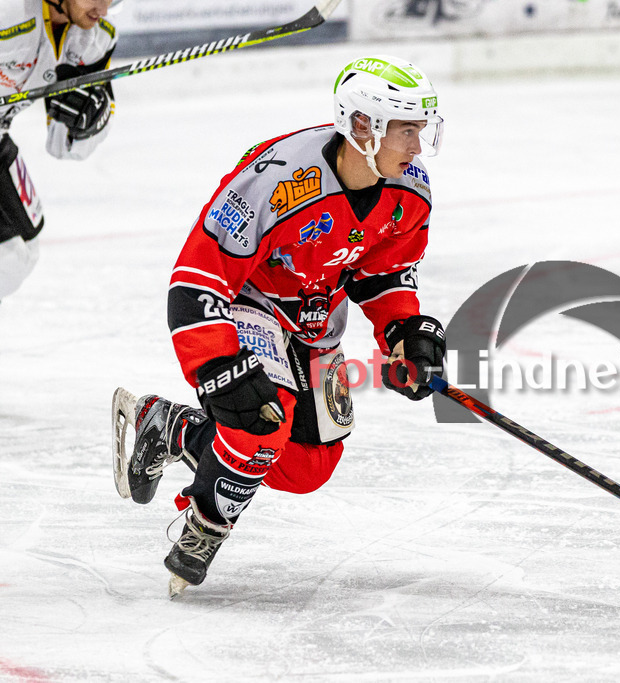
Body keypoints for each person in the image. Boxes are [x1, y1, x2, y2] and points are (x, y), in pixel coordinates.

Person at [110, 55, 448, 597]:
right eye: (405, 130)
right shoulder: (278, 179)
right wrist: (218, 364)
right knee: (260, 420)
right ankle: (204, 529)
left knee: (307, 467)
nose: (417, 146)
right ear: (362, 125)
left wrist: (405, 331)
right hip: (249, 300)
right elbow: (198, 277)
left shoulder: (409, 192)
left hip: (316, 316)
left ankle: (172, 427)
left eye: (421, 129)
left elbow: (382, 272)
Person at [0, 0, 119, 299]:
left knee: (17, 256)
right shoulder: (7, 12)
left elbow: (64, 147)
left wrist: (86, 123)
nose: (103, 9)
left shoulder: (94, 39)